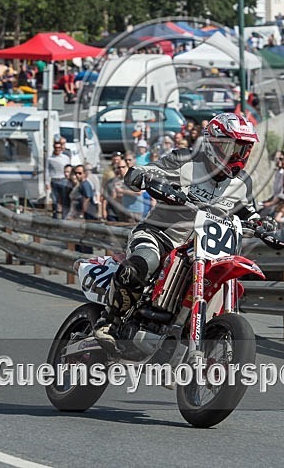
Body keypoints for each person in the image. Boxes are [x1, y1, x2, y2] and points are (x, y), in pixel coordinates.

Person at [94, 113, 266, 349]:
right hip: (160, 235)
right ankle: (110, 322)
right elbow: (140, 172)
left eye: (243, 149)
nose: (237, 156)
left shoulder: (242, 182)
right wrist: (146, 178)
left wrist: (265, 226)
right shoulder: (184, 160)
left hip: (205, 252)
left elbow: (250, 213)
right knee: (143, 263)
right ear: (212, 143)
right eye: (231, 147)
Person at [46, 139, 71, 218]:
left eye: (58, 148)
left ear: (61, 148)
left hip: (64, 180)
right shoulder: (50, 159)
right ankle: (55, 216)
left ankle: (64, 217)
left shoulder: (66, 158)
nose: (57, 149)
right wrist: (47, 182)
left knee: (64, 199)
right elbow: (47, 171)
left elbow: (69, 169)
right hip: (54, 181)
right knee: (55, 200)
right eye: (55, 148)